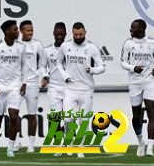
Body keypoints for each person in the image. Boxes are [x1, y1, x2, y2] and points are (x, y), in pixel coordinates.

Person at [56, 22, 105, 158]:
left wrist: (93, 70)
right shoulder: (65, 47)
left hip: (86, 89)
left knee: (83, 120)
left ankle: (81, 147)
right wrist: (64, 75)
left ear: (85, 32)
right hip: (70, 88)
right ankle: (70, 143)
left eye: (80, 34)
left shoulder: (92, 48)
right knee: (67, 118)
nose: (78, 37)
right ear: (72, 33)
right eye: (75, 34)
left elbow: (102, 66)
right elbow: (59, 62)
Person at [120, 19, 154, 157]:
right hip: (135, 82)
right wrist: (133, 68)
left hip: (150, 81)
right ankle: (141, 142)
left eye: (133, 27)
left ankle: (150, 147)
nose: (130, 29)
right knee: (136, 116)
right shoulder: (128, 43)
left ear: (142, 29)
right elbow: (122, 62)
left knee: (151, 112)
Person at [0, 20, 26, 158]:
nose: (17, 32)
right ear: (7, 31)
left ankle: (10, 147)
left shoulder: (21, 48)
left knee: (14, 117)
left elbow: (24, 66)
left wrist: (24, 83)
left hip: (15, 87)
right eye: (15, 30)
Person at [17, 20, 46, 153]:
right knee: (13, 114)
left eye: (32, 30)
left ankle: (31, 145)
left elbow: (43, 63)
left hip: (33, 84)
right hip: (18, 84)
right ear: (21, 31)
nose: (30, 33)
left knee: (32, 114)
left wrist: (44, 76)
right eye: (28, 30)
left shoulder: (37, 45)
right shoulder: (16, 45)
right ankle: (16, 142)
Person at [40, 22, 67, 157]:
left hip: (69, 88)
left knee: (69, 118)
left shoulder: (70, 50)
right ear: (54, 34)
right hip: (54, 88)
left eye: (62, 34)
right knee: (56, 117)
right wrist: (45, 76)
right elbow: (42, 66)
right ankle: (59, 145)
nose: (60, 37)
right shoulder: (47, 51)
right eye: (57, 34)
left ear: (66, 35)